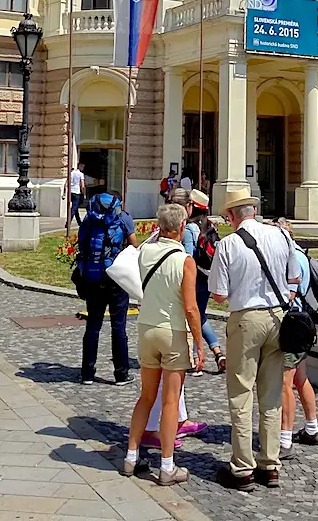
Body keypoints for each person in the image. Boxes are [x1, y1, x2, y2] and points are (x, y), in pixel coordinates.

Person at [208, 187, 299, 490]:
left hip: (246, 319)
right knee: (271, 394)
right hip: (277, 318)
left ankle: (242, 468)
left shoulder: (228, 244)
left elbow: (219, 294)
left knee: (241, 393)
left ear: (232, 216)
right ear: (254, 212)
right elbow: (294, 277)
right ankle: (270, 464)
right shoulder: (282, 236)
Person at [123, 204, 205, 485]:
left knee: (146, 396)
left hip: (146, 328)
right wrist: (199, 343)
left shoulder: (145, 251)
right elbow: (191, 308)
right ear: (182, 227)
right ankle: (167, 465)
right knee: (170, 401)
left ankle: (131, 456)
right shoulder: (184, 260)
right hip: (172, 332)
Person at [74, 192, 137, 385]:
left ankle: (87, 373)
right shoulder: (123, 217)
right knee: (118, 327)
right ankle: (121, 373)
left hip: (93, 277)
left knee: (93, 326)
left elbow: (82, 243)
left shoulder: (89, 219)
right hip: (116, 279)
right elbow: (134, 245)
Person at [275, 219, 318, 457]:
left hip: (291, 324)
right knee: (301, 378)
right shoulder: (302, 254)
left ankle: (284, 440)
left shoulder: (288, 257)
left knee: (285, 383)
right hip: (305, 323)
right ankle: (312, 427)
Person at [179, 188, 226, 375]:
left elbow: (188, 257)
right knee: (201, 315)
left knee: (190, 316)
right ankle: (218, 352)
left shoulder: (191, 228)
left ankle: (192, 358)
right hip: (207, 278)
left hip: (195, 279)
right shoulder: (210, 226)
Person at [67, 161, 87, 230]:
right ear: (79, 166)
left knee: (75, 208)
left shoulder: (71, 173)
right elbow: (82, 185)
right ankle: (68, 222)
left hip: (70, 192)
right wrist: (84, 193)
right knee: (74, 208)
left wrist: (64, 192)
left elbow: (67, 182)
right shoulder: (81, 174)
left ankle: (79, 222)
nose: (83, 168)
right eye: (82, 166)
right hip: (76, 192)